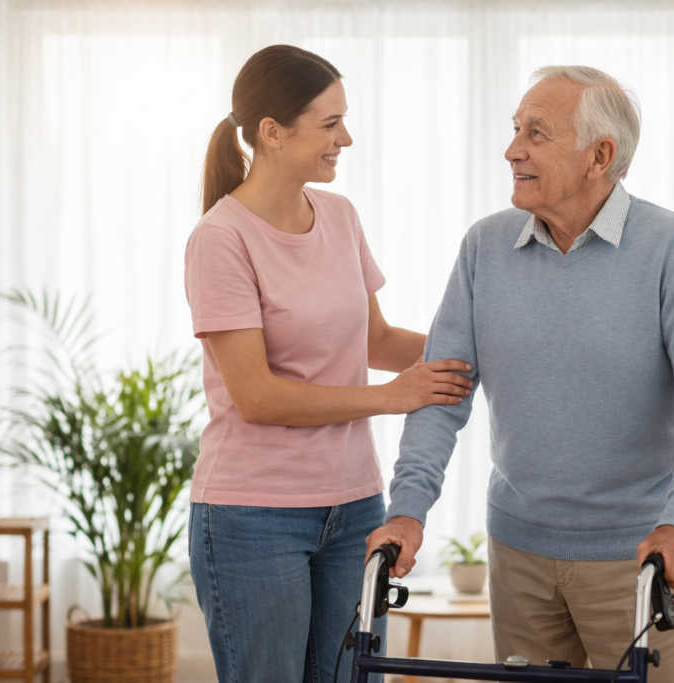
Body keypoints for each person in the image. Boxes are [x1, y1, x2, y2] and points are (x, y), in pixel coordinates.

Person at [366, 66, 674, 683]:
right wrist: (408, 508)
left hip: (639, 557)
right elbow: (442, 391)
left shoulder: (672, 247)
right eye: (516, 128)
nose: (512, 148)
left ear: (600, 156)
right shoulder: (484, 247)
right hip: (519, 553)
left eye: (536, 133)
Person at [184, 45, 473, 683]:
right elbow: (257, 396)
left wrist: (480, 353)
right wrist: (391, 397)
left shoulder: (339, 217)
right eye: (329, 123)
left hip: (355, 509)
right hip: (251, 516)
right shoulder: (222, 239)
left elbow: (375, 340)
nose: (346, 137)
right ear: (271, 132)